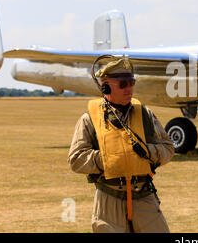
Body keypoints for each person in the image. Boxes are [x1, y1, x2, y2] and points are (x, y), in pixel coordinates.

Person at [68, 56, 175, 233]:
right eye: (123, 84)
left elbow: (168, 148)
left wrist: (147, 153)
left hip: (144, 196)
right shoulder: (88, 120)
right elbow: (76, 160)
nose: (130, 88)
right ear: (106, 86)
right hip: (108, 201)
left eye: (132, 82)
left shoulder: (146, 115)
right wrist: (110, 159)